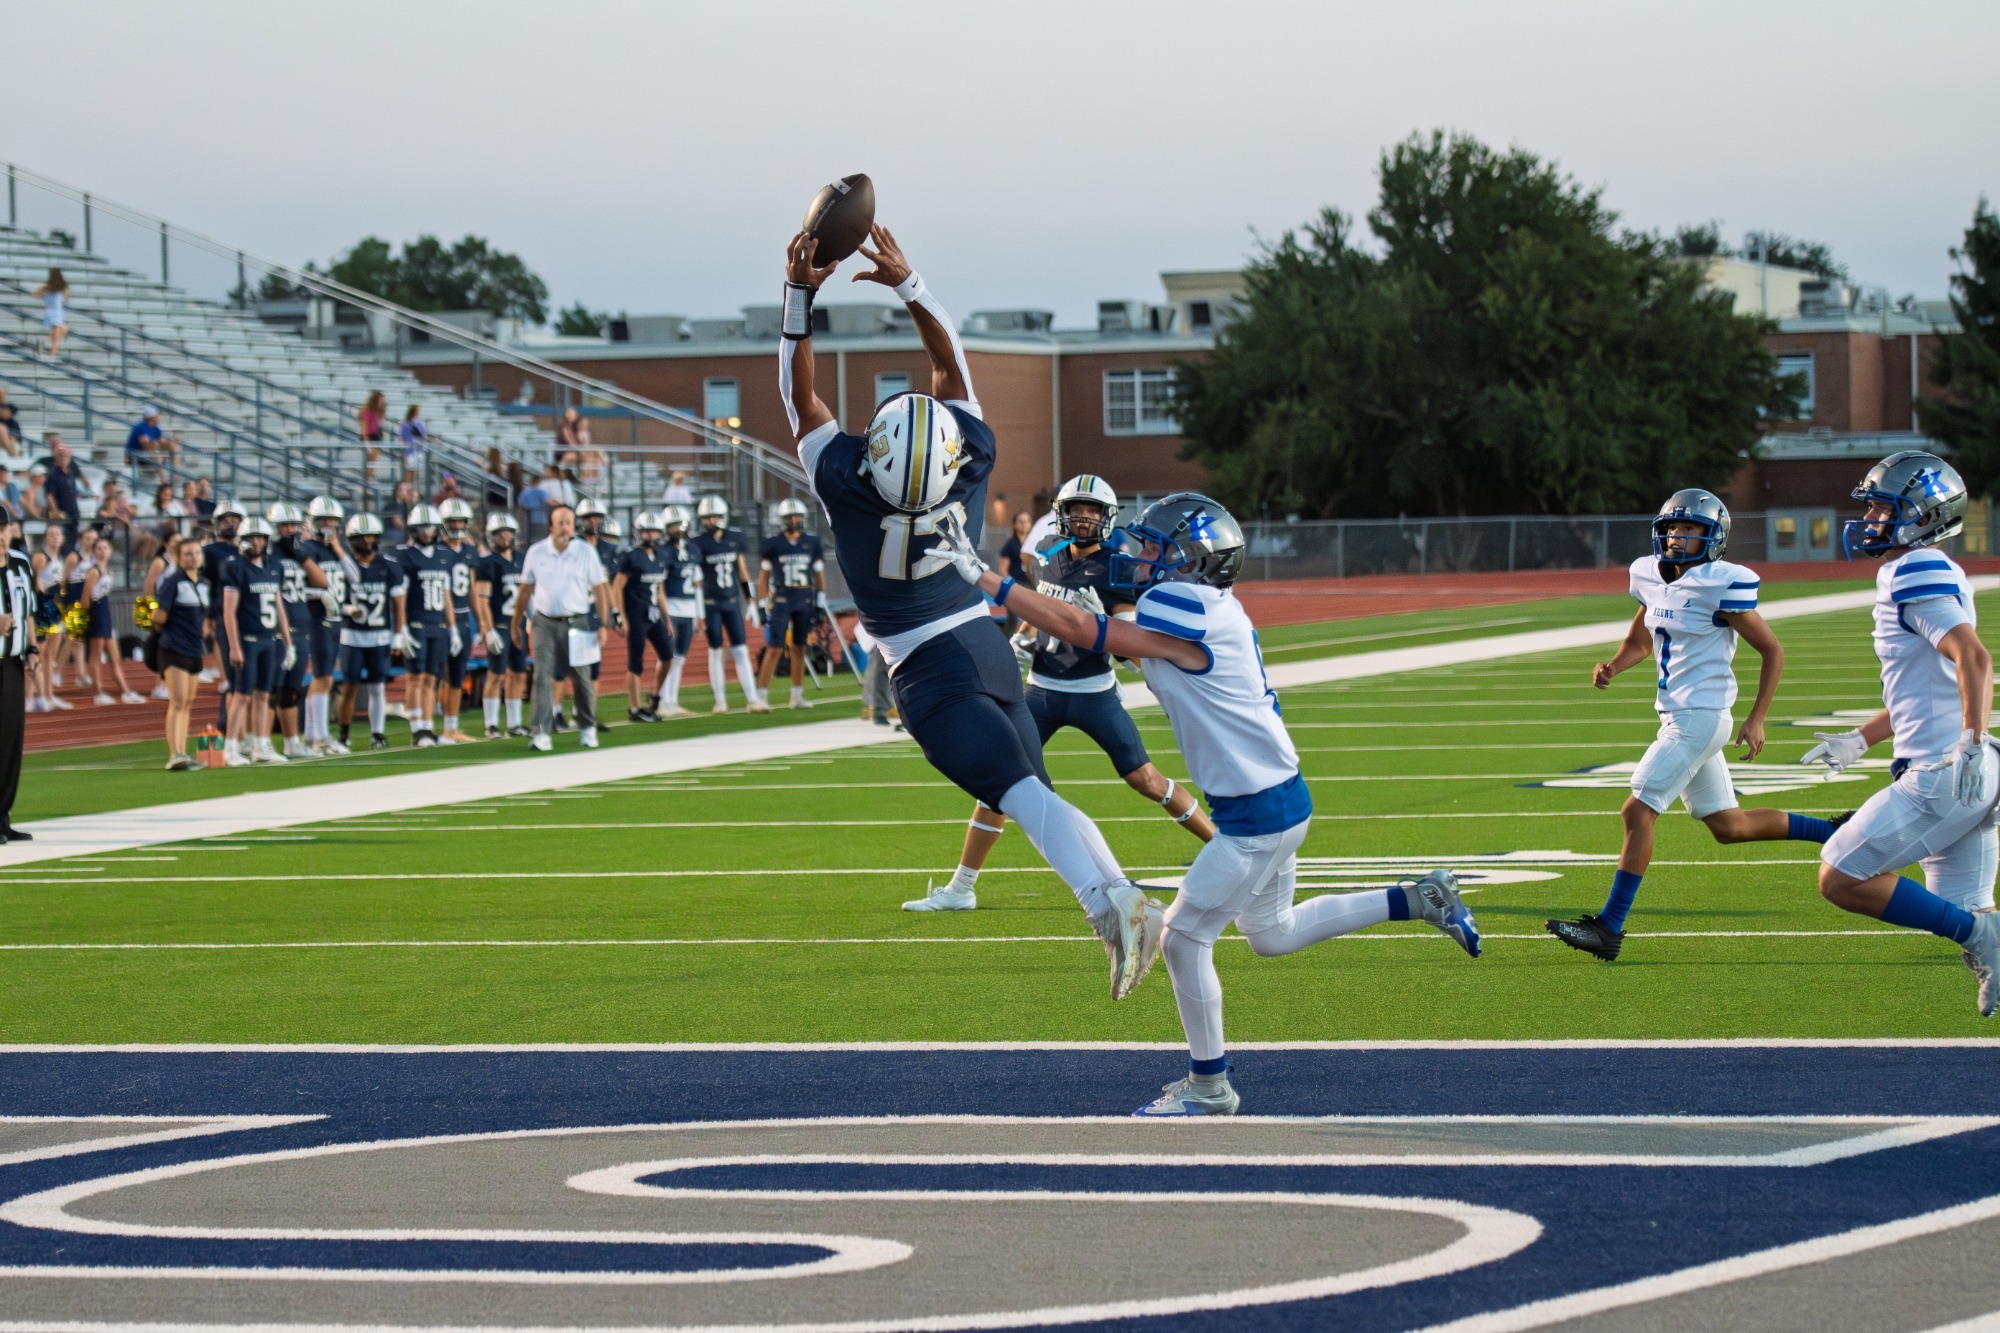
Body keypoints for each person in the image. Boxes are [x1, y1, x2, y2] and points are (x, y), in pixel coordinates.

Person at [929, 491, 1480, 1113]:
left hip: (1254, 817)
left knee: (1182, 941)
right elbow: (1124, 645)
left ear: (1191, 560)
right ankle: (1418, 899)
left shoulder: (1182, 603)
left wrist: (989, 580)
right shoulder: (1206, 605)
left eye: (1154, 548)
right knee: (1271, 934)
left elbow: (1086, 631)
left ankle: (1209, 1085)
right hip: (1280, 800)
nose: (1139, 556)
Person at [780, 222, 1162, 1000]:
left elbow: (798, 396)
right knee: (1038, 792)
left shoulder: (845, 478)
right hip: (984, 646)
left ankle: (1109, 907)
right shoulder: (970, 459)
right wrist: (910, 285)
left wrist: (798, 294)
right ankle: (1124, 892)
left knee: (1020, 794)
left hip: (928, 670)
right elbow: (951, 363)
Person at [1542, 490, 1836, 959]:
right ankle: (1839, 832)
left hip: (1699, 718)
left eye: (1691, 529)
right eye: (1673, 528)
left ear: (1713, 536)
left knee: (1636, 812)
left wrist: (1757, 718)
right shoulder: (1651, 576)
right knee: (1729, 826)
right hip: (1679, 715)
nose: (1678, 536)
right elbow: (1641, 640)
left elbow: (1773, 650)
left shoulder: (1720, 585)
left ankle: (1609, 928)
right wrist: (1614, 666)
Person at [911, 475, 1216, 912]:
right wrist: (1023, 636)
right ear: (1061, 514)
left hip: (1094, 692)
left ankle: (1221, 848)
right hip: (1040, 691)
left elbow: (1136, 653)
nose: (1084, 517)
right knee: (1000, 784)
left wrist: (1108, 628)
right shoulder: (1048, 554)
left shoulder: (1119, 569)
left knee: (1146, 779)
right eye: (1076, 509)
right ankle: (961, 887)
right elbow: (1042, 607)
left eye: (1092, 510)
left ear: (1107, 517)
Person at [1796, 452, 2000, 1015]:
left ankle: (1986, 938)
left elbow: (1974, 660)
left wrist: (1970, 742)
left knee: (1841, 876)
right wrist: (1861, 739)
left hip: (1944, 771)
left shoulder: (1912, 568)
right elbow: (1927, 688)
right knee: (1965, 911)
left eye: (1882, 509)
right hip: (1968, 772)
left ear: (1923, 515)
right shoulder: (1931, 569)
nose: (1869, 520)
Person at [512, 502, 611, 751]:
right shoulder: (536, 552)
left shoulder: (586, 551)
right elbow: (525, 590)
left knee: (581, 677)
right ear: (551, 526)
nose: (565, 528)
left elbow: (600, 589)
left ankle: (587, 727)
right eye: (560, 523)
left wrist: (602, 623)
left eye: (569, 523)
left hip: (578, 621)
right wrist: (516, 622)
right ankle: (541, 732)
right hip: (544, 621)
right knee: (541, 676)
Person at [220, 517, 294, 766]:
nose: (257, 542)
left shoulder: (273, 566)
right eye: (252, 537)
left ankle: (261, 745)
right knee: (242, 694)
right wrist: (234, 646)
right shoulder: (235, 566)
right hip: (248, 639)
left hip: (269, 639)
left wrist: (288, 642)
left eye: (261, 537)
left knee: (263, 694)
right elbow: (229, 612)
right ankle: (230, 747)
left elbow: (279, 606)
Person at [334, 513, 407, 752]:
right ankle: (344, 735)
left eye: (370, 536)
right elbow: (334, 600)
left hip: (379, 635)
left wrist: (399, 634)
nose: (367, 541)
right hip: (352, 635)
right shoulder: (344, 566)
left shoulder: (388, 566)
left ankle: (377, 734)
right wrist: (347, 609)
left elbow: (399, 604)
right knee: (350, 687)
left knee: (377, 687)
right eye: (361, 537)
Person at [269, 502, 335, 758]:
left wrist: (300, 555)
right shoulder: (269, 554)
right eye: (283, 525)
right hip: (275, 629)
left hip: (299, 627)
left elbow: (321, 581)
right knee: (268, 690)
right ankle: (257, 742)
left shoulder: (300, 551)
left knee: (291, 689)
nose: (289, 530)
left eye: (292, 525)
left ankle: (291, 743)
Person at [690, 495, 765, 713]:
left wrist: (751, 600)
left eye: (715, 516)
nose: (711, 521)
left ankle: (753, 699)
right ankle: (720, 700)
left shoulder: (734, 537)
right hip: (710, 603)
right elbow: (696, 579)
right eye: (707, 517)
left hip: (732, 602)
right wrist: (697, 610)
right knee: (715, 650)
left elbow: (742, 571)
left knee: (741, 649)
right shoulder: (698, 542)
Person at [393, 503, 459, 748]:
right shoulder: (405, 556)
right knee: (415, 678)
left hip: (438, 624)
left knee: (432, 678)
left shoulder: (444, 555)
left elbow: (446, 595)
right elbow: (400, 596)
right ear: (412, 530)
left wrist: (453, 628)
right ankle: (417, 729)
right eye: (421, 527)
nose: (426, 532)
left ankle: (428, 727)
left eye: (429, 527)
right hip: (416, 623)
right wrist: (401, 628)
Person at [754, 498, 827, 710]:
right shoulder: (773, 544)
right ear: (782, 520)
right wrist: (761, 605)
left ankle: (796, 696)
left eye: (797, 517)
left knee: (800, 647)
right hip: (782, 598)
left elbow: (819, 576)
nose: (794, 520)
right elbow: (763, 578)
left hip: (804, 597)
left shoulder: (812, 542)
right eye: (790, 517)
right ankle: (761, 696)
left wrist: (820, 604)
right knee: (775, 647)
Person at [610, 510, 678, 722]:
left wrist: (667, 619)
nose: (650, 535)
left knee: (668, 655)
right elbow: (617, 587)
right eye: (646, 531)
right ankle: (634, 709)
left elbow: (660, 590)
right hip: (636, 615)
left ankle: (655, 696)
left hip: (654, 614)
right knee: (635, 663)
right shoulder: (631, 555)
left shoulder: (661, 556)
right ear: (638, 532)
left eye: (654, 531)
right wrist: (620, 616)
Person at [151, 536, 210, 770]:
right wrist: (171, 632)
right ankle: (174, 754)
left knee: (187, 702)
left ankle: (183, 752)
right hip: (174, 648)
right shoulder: (173, 582)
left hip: (194, 648)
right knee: (177, 702)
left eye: (197, 553)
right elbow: (158, 616)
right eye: (188, 554)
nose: (193, 557)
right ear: (178, 557)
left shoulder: (203, 583)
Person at [301, 497, 350, 754]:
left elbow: (355, 577)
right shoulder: (308, 548)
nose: (329, 524)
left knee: (323, 677)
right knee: (324, 677)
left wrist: (339, 548)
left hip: (335, 619)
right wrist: (320, 594)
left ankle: (312, 734)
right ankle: (320, 736)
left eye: (333, 520)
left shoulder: (336, 549)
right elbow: (297, 587)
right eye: (324, 520)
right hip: (317, 617)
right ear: (313, 521)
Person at [474, 512, 529, 739]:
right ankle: (491, 725)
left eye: (507, 533)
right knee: (495, 675)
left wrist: (531, 620)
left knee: (518, 673)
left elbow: (528, 594)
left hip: (518, 624)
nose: (504, 537)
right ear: (491, 536)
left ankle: (514, 723)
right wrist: (488, 630)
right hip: (499, 624)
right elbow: (482, 600)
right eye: (499, 533)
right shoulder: (488, 563)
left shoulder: (522, 559)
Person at [0, 505, 36, 837]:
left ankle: (3, 818)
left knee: (12, 740)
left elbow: (29, 612)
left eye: (2, 529)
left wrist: (33, 647)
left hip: (12, 663)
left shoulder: (21, 564)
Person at [79, 533, 142, 706]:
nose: (102, 551)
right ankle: (98, 693)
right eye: (99, 548)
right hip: (97, 615)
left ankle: (126, 692)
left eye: (105, 548)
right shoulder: (94, 571)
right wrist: (90, 620)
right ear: (94, 552)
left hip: (106, 615)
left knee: (115, 657)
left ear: (110, 550)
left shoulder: (108, 570)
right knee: (96, 656)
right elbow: (85, 600)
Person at [436, 497, 479, 743]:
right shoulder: (437, 549)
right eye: (452, 521)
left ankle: (452, 727)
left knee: (457, 675)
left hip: (463, 618)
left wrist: (482, 623)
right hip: (440, 618)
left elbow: (472, 589)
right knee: (439, 676)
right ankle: (433, 727)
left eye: (460, 521)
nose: (456, 525)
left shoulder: (469, 550)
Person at [653, 505, 700, 719]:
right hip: (672, 607)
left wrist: (699, 613)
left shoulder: (692, 549)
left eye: (680, 524)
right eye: (673, 525)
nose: (678, 529)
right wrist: (664, 615)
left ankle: (672, 700)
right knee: (667, 656)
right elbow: (660, 585)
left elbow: (697, 583)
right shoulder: (663, 551)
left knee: (680, 657)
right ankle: (661, 700)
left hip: (689, 608)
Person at [141, 530, 186, 699]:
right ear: (167, 543)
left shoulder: (180, 561)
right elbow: (148, 589)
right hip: (162, 608)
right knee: (163, 646)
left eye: (180, 541)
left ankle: (169, 682)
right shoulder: (160, 562)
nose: (177, 544)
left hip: (176, 609)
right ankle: (159, 685)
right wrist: (153, 612)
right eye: (174, 541)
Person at [28, 524, 67, 713]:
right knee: (38, 653)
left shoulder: (60, 558)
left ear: (62, 538)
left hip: (55, 610)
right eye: (51, 534)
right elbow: (34, 582)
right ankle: (30, 696)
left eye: (57, 534)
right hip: (43, 610)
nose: (55, 537)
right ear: (45, 537)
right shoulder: (41, 557)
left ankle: (48, 695)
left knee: (51, 656)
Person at [40, 434, 80, 552]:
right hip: (61, 514)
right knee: (62, 543)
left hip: (72, 513)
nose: (63, 459)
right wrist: (56, 512)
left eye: (65, 456)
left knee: (72, 541)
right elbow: (49, 495)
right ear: (56, 457)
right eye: (61, 456)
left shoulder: (70, 473)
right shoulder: (53, 474)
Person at [124, 406, 181, 485]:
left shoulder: (155, 427)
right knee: (155, 450)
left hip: (146, 456)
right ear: (153, 417)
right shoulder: (140, 427)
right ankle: (164, 479)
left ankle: (176, 473)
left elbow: (162, 442)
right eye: (157, 415)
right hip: (133, 457)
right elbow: (146, 446)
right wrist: (157, 446)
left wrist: (172, 442)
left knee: (172, 447)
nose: (159, 417)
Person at [34, 268, 68, 359]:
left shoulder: (47, 287)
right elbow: (66, 296)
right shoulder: (59, 287)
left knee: (64, 330)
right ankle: (52, 359)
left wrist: (43, 294)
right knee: (56, 341)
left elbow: (35, 294)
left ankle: (42, 340)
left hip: (51, 313)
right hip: (56, 313)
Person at [359, 391, 388, 483]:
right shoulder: (368, 411)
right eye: (380, 400)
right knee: (371, 458)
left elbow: (378, 425)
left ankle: (371, 476)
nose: (382, 402)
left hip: (376, 435)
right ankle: (369, 477)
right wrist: (367, 443)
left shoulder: (379, 411)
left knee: (373, 459)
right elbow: (364, 429)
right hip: (369, 436)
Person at [398, 405, 429, 483]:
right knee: (409, 471)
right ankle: (408, 486)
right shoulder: (405, 424)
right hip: (409, 451)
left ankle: (413, 487)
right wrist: (404, 449)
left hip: (419, 450)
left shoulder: (420, 424)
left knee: (417, 473)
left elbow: (424, 436)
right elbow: (402, 438)